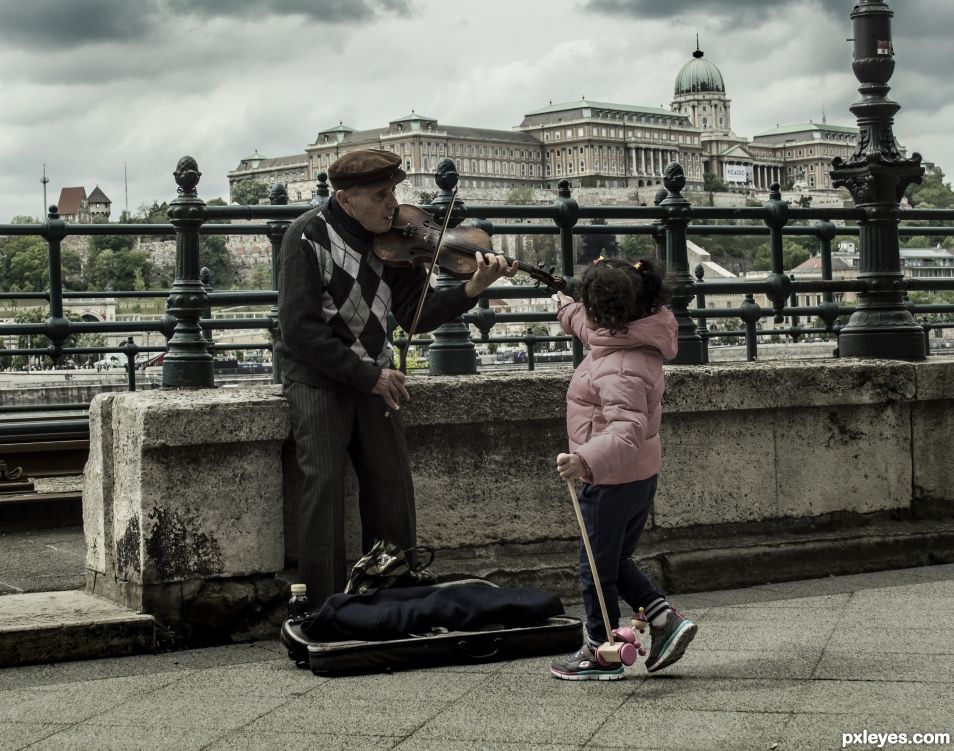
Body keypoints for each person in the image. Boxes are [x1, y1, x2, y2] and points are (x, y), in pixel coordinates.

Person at [277, 148, 516, 604]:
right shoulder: (306, 236)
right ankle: (325, 604)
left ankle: (394, 589)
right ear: (346, 200)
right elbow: (300, 330)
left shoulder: (394, 240)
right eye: (381, 195)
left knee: (392, 485)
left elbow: (414, 315)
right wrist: (366, 376)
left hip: (374, 373)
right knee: (323, 485)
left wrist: (471, 289)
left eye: (395, 192)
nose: (393, 204)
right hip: (319, 376)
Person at [549, 256, 697, 680]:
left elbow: (627, 429)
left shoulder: (619, 365)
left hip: (610, 478)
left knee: (595, 567)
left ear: (605, 314)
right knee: (612, 560)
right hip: (637, 477)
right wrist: (564, 307)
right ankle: (663, 619)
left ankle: (601, 652)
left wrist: (585, 460)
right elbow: (587, 327)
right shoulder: (631, 335)